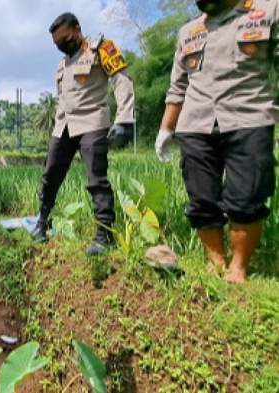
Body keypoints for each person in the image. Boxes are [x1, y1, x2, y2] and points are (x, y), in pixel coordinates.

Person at [155, 0, 278, 283]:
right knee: (201, 200)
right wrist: (166, 129)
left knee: (246, 199)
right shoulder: (189, 31)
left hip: (249, 117)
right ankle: (216, 261)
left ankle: (238, 266)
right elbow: (178, 87)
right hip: (195, 123)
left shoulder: (267, 10)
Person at [31, 13, 135, 256]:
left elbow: (122, 81)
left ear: (77, 29)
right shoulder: (61, 65)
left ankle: (103, 234)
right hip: (64, 126)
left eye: (66, 39)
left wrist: (124, 119)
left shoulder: (101, 48)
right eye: (57, 44)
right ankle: (42, 222)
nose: (62, 46)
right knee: (50, 176)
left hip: (92, 123)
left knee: (96, 180)